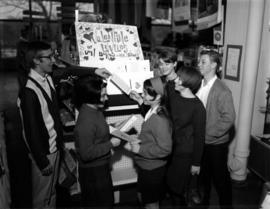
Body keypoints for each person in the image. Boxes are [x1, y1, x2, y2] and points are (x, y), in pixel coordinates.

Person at [157, 49, 206, 207]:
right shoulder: (174, 93)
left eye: (179, 79)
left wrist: (196, 163)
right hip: (171, 149)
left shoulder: (198, 107)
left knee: (178, 191)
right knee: (171, 188)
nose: (175, 81)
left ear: (187, 84)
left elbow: (199, 137)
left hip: (185, 155)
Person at [18, 41, 63, 208]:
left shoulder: (47, 78)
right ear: (36, 61)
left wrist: (94, 70)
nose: (53, 60)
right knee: (41, 198)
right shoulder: (29, 92)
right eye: (49, 57)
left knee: (51, 193)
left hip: (54, 147)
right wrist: (41, 161)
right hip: (45, 152)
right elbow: (30, 131)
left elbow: (68, 72)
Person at [73, 75, 121, 208]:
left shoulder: (94, 110)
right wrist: (111, 144)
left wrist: (115, 128)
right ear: (91, 97)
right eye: (103, 95)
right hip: (93, 174)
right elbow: (86, 154)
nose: (106, 98)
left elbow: (98, 131)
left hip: (100, 168)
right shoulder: (85, 121)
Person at [196, 49, 236, 209]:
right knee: (203, 177)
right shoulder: (198, 84)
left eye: (203, 62)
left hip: (216, 144)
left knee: (221, 180)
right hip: (201, 142)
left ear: (213, 65)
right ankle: (204, 202)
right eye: (199, 61)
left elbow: (229, 118)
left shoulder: (222, 90)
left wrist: (208, 134)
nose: (199, 64)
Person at [128, 76, 173, 209]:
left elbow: (165, 149)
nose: (143, 94)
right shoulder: (154, 110)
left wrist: (139, 149)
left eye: (146, 93)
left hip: (152, 170)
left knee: (151, 203)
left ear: (158, 96)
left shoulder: (159, 119)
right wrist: (140, 100)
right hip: (146, 166)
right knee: (144, 197)